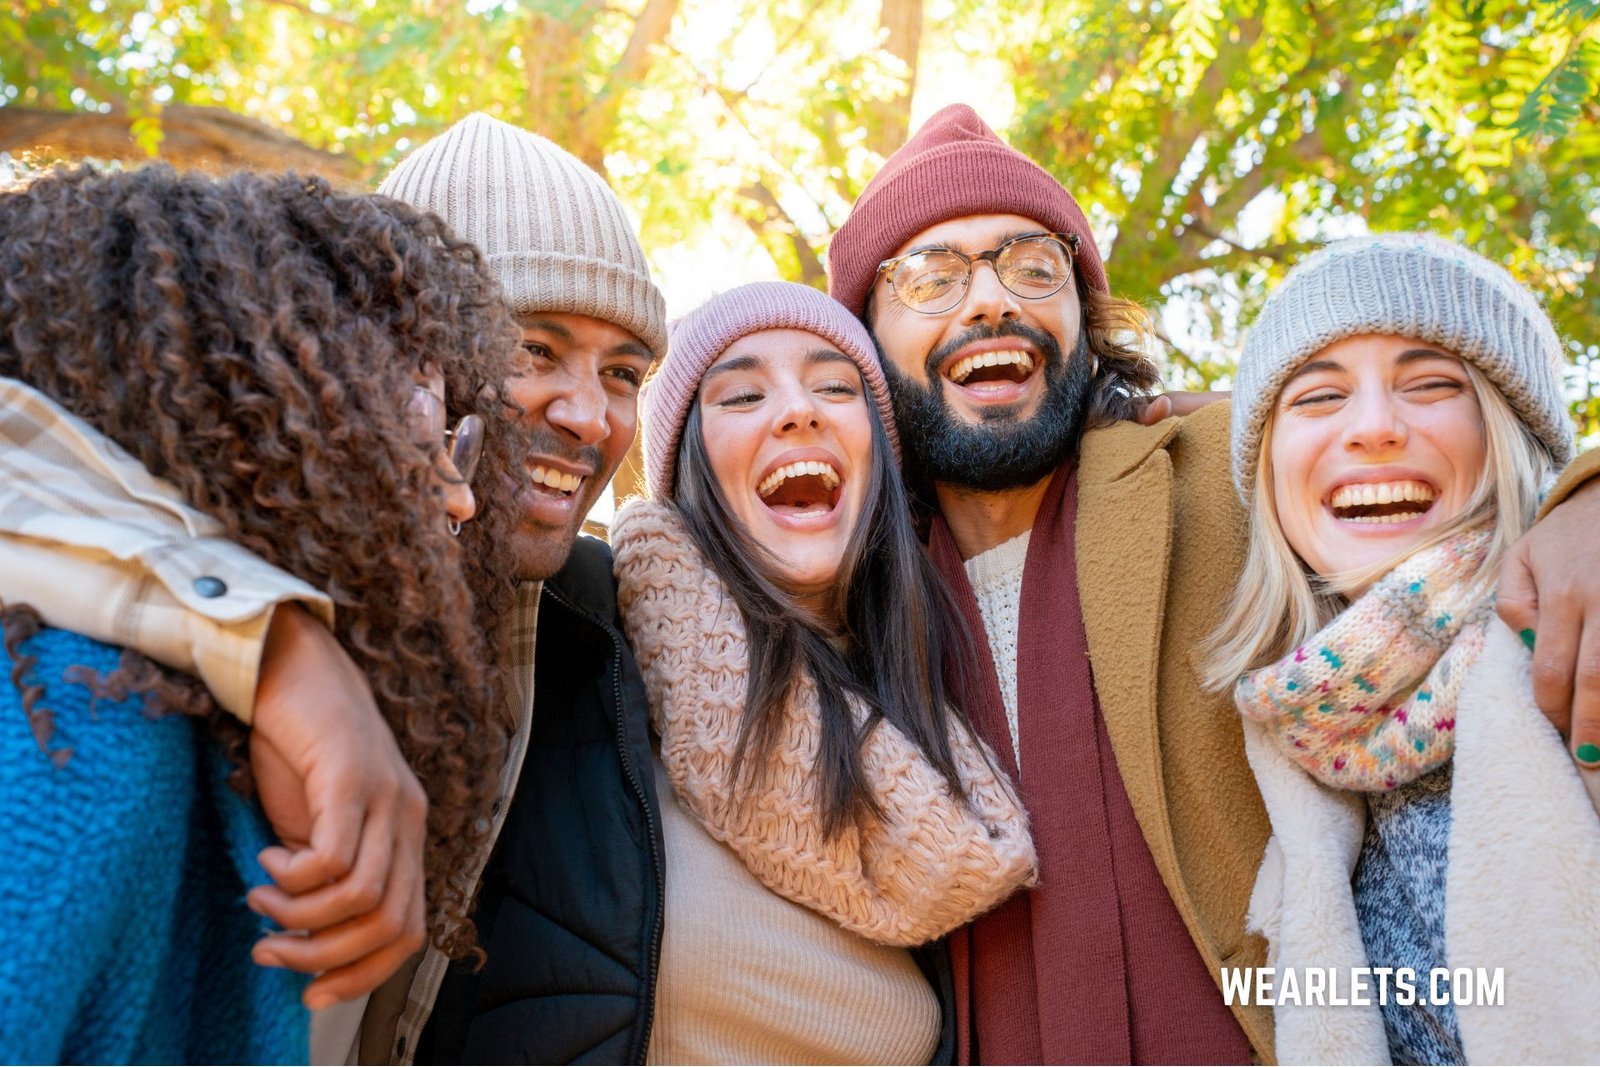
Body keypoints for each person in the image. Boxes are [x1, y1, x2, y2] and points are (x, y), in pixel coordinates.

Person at [823, 103, 1600, 1063]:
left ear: (1085, 316)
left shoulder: (1224, 472)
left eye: (1032, 265)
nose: (989, 301)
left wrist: (1585, 500)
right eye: (931, 276)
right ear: (862, 340)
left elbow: (1456, 480)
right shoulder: (847, 591)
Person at [0, 112, 674, 1063]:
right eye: (533, 348)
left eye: (625, 371)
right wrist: (276, 646)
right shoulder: (96, 709)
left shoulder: (567, 620)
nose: (590, 414)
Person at [605, 281, 1034, 1063]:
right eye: (742, 395)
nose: (799, 410)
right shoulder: (589, 660)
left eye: (836, 387)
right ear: (689, 464)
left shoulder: (932, 711)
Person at [1204, 233, 1600, 1065]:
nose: (1375, 427)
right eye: (1318, 397)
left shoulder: (1576, 646)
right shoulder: (1296, 739)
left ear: (1510, 431)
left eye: (1431, 384)